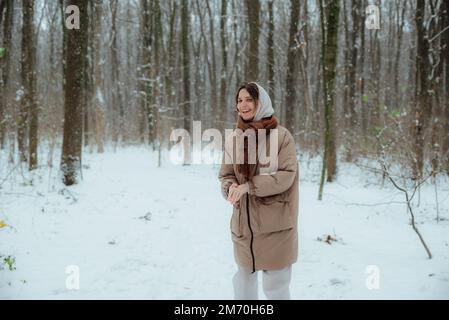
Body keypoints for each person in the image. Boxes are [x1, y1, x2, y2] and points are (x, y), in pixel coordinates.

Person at [219, 82, 299, 300]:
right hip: (244, 227)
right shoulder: (234, 138)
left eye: (249, 100)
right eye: (239, 100)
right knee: (243, 286)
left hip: (276, 227)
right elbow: (226, 174)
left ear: (260, 103)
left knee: (276, 289)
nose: (242, 105)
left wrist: (249, 186)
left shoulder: (281, 137)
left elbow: (285, 176)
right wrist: (230, 188)